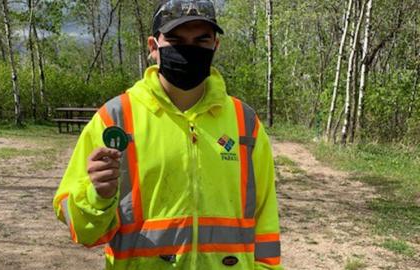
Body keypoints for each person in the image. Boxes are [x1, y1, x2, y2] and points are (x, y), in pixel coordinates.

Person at [53, 1, 282, 269]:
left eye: (201, 40)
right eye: (175, 40)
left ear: (215, 46)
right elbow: (84, 232)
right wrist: (97, 197)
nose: (189, 50)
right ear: (153, 47)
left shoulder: (245, 123)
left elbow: (265, 222)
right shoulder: (114, 118)